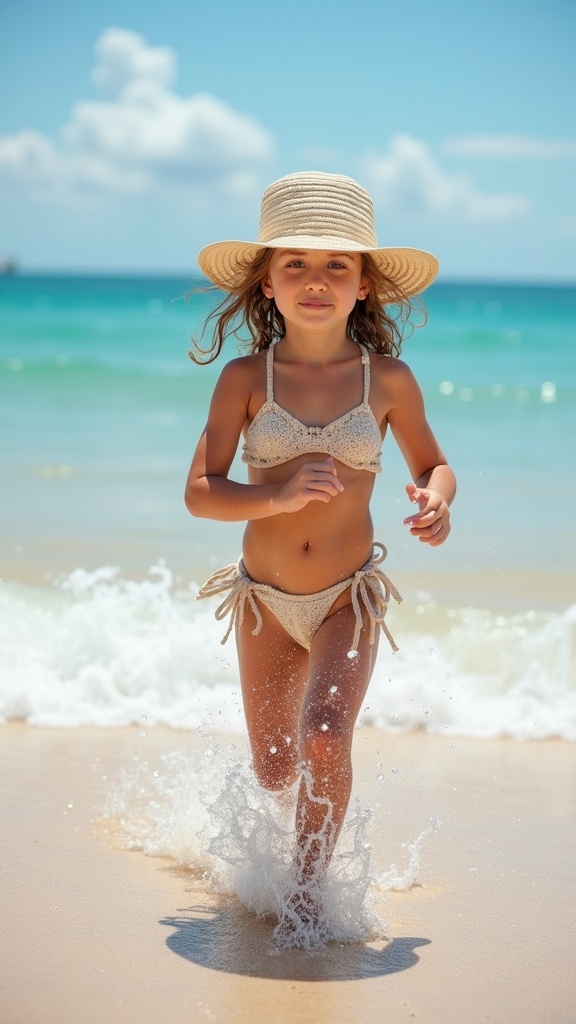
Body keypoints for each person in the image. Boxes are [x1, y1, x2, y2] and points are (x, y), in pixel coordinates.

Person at [185, 171, 456, 932]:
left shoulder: (389, 381)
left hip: (346, 597)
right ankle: (265, 869)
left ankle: (306, 902)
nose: (316, 279)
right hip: (265, 601)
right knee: (276, 769)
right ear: (266, 283)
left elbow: (433, 464)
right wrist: (272, 494)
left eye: (338, 265)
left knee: (326, 735)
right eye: (295, 263)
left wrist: (438, 499)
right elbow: (201, 491)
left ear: (365, 286)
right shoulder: (246, 379)